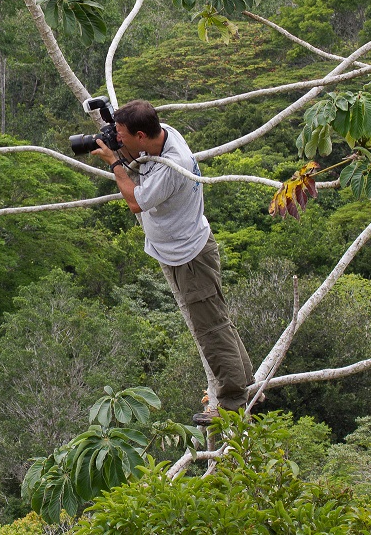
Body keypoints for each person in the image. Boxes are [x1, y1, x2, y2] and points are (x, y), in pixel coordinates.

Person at [91, 99, 254, 425]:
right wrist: (116, 135)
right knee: (217, 319)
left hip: (189, 257)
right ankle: (243, 378)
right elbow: (140, 161)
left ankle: (233, 404)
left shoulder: (172, 164)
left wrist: (113, 162)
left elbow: (136, 202)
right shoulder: (162, 136)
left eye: (121, 135)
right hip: (183, 250)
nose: (117, 140)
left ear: (140, 134)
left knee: (211, 329)